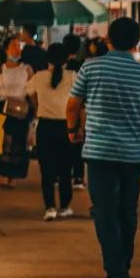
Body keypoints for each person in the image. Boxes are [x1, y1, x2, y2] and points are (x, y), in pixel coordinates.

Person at [66, 17, 140, 278]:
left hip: (99, 152)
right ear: (136, 44)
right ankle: (124, 261)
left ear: (107, 39)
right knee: (127, 210)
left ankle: (115, 268)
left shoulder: (90, 69)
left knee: (103, 210)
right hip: (132, 154)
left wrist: (72, 130)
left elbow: (72, 105)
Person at [26, 43, 76, 221]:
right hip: (66, 127)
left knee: (46, 170)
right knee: (65, 169)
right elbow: (79, 101)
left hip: (45, 127)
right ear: (66, 59)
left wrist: (37, 106)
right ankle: (64, 206)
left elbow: (29, 92)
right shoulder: (72, 77)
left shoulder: (39, 77)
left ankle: (50, 207)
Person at [0, 35, 34, 187]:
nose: (17, 49)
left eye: (19, 45)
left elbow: (31, 91)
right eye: (13, 45)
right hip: (3, 109)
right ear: (6, 49)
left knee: (18, 143)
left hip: (22, 110)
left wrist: (36, 108)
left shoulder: (27, 69)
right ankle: (3, 173)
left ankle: (14, 175)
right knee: (4, 142)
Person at [63, 34, 86, 189]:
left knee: (64, 144)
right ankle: (78, 176)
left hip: (61, 109)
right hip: (79, 109)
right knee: (78, 144)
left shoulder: (61, 65)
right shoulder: (82, 66)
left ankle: (64, 174)